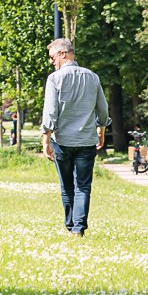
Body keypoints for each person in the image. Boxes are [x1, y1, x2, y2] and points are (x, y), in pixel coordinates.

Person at [39, 37, 109, 236]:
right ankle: (78, 228)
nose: (51, 62)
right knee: (83, 187)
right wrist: (101, 131)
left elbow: (50, 112)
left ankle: (71, 225)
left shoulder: (55, 79)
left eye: (52, 57)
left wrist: (46, 139)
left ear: (63, 54)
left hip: (62, 142)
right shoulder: (93, 77)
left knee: (67, 186)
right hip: (86, 142)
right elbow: (103, 110)